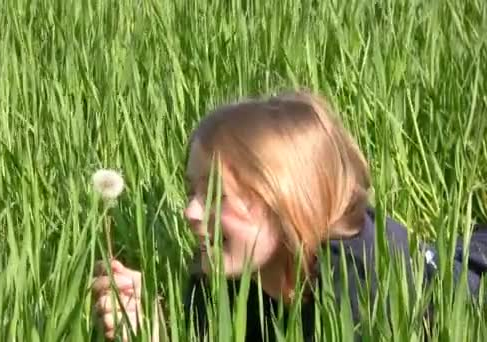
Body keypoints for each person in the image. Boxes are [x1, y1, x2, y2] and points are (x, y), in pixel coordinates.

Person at [91, 90, 487, 341]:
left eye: (216, 194)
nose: (191, 211)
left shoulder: (356, 292)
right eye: (191, 189)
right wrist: (155, 331)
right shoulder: (218, 277)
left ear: (290, 203)